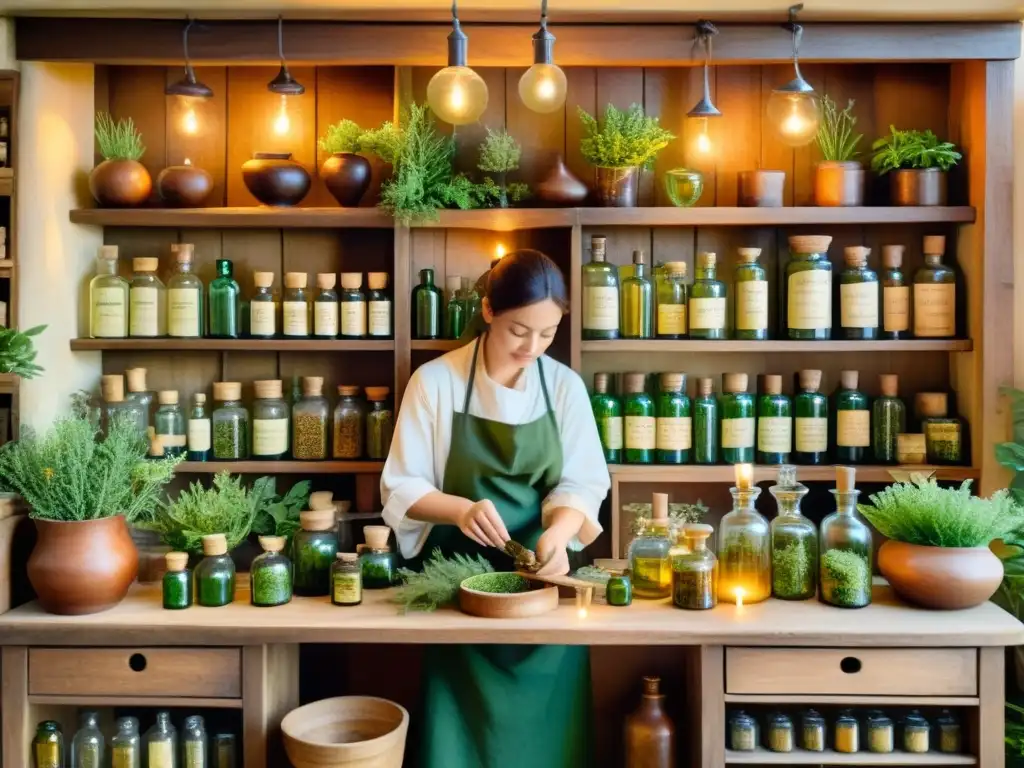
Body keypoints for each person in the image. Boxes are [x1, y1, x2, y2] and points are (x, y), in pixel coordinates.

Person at [381, 248, 610, 768]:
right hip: (454, 589)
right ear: (488, 311)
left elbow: (583, 481)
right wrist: (460, 510)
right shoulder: (435, 382)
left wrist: (559, 532)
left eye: (547, 333)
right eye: (518, 330)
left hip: (541, 587)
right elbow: (400, 486)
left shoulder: (565, 388)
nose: (532, 346)